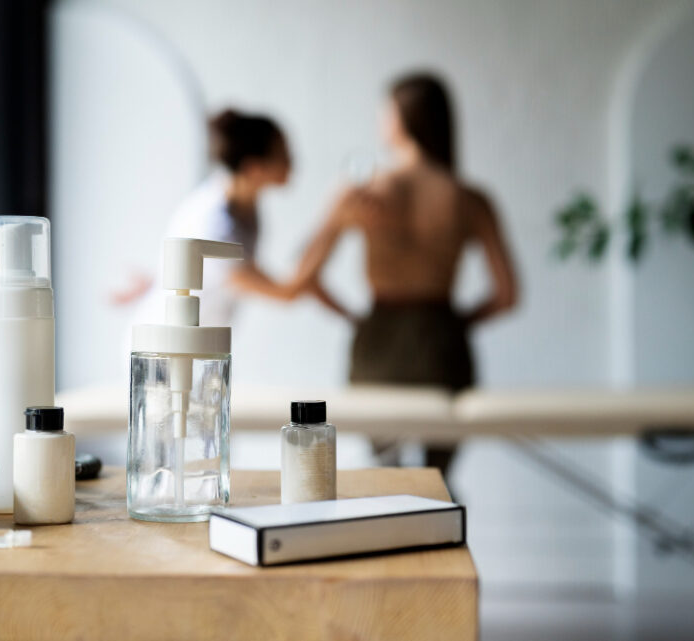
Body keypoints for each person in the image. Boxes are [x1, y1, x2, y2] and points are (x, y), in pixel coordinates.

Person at [283, 72, 519, 473]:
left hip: (380, 336)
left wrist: (355, 319)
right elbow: (507, 294)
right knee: (438, 480)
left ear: (400, 118)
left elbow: (303, 275)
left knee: (384, 474)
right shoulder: (470, 199)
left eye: (384, 111)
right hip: (442, 340)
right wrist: (456, 322)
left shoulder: (362, 192)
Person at [114, 108, 347, 326]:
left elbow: (298, 280)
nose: (292, 161)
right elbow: (286, 292)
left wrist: (353, 318)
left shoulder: (243, 208)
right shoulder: (216, 224)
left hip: (199, 347)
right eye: (283, 153)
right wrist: (336, 220)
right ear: (254, 167)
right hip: (168, 352)